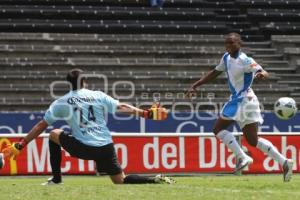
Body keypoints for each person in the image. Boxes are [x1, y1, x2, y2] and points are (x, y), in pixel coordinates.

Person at [2, 68, 175, 185]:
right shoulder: (97, 95)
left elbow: (41, 125)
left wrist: (20, 144)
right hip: (106, 146)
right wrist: (145, 113)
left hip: (84, 148)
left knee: (54, 133)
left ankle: (56, 179)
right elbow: (123, 107)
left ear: (69, 83)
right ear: (84, 81)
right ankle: (155, 179)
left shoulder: (61, 102)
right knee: (120, 180)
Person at [186, 32, 294, 182]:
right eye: (227, 43)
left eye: (232, 43)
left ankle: (243, 157)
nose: (228, 45)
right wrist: (196, 85)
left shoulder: (245, 60)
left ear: (239, 44)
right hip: (248, 101)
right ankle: (285, 162)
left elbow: (262, 71)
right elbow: (215, 72)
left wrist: (262, 74)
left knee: (217, 129)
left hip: (241, 99)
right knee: (252, 140)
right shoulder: (226, 58)